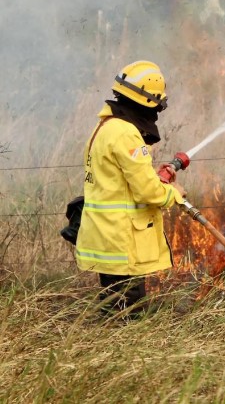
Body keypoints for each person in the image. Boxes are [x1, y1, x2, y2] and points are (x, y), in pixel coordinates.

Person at [75, 60, 186, 316]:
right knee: (130, 315)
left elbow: (118, 182)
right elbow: (148, 192)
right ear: (148, 101)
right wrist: (174, 193)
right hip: (122, 242)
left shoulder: (104, 127)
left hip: (105, 238)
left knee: (114, 310)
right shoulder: (126, 133)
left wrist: (152, 176)